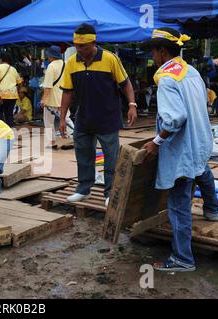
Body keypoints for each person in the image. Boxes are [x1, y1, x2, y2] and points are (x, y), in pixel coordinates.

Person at [140, 27, 218, 272]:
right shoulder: (191, 71)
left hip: (183, 145)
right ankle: (212, 210)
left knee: (178, 201)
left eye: (154, 52)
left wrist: (156, 142)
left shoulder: (166, 79)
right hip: (200, 139)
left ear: (163, 52)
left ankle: (182, 258)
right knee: (202, 170)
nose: (152, 58)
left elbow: (175, 118)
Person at [59, 23, 137, 206]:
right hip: (83, 118)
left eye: (83, 46)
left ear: (93, 42)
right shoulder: (71, 62)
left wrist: (132, 105)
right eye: (76, 45)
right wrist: (62, 118)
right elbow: (67, 92)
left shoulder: (110, 59)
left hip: (107, 118)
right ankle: (83, 189)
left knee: (111, 158)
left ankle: (110, 192)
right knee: (83, 155)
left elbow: (125, 84)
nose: (79, 49)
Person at [41, 45, 75, 148]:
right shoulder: (65, 64)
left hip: (52, 99)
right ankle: (74, 137)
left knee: (48, 121)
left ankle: (52, 142)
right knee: (66, 118)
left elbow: (48, 86)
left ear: (50, 56)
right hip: (64, 97)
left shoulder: (51, 66)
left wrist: (43, 99)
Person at [0, 52, 22, 127]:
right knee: (9, 114)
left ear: (1, 59)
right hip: (12, 95)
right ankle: (11, 131)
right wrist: (18, 90)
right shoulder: (13, 69)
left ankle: (2, 129)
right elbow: (19, 82)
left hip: (1, 95)